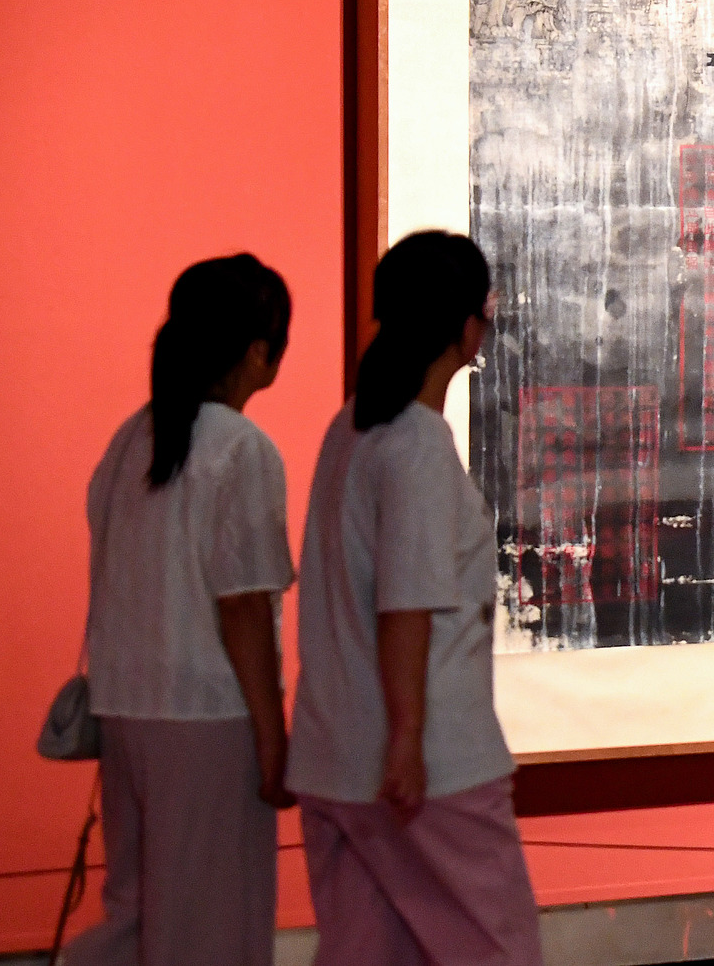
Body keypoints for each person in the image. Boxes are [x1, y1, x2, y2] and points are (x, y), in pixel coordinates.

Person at [288, 231, 543, 965]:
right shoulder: (419, 443)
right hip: (427, 764)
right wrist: (404, 739)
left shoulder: (352, 428)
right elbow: (406, 602)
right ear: (468, 326)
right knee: (497, 951)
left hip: (333, 755)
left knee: (366, 954)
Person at [66, 254, 296, 966]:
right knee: (212, 924)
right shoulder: (241, 449)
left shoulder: (131, 438)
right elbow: (245, 609)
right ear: (260, 349)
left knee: (137, 910)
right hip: (208, 718)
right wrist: (271, 736)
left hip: (125, 707)